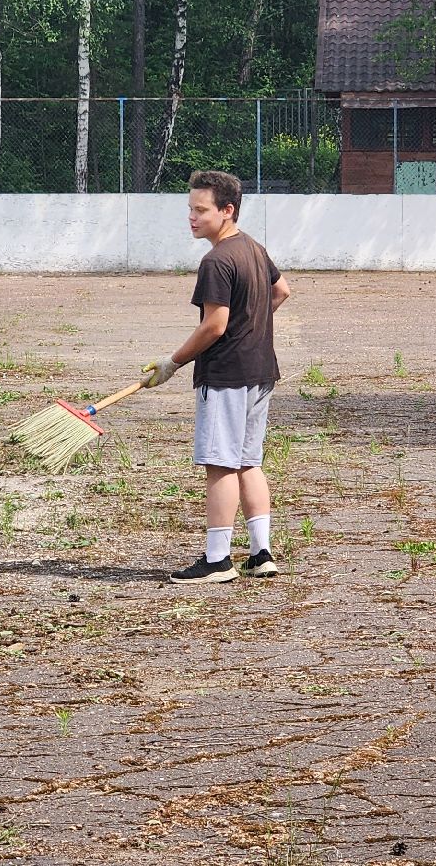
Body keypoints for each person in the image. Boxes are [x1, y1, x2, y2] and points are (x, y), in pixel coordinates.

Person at [140, 170, 292, 584]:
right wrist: (253, 326)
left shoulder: (216, 260)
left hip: (226, 375)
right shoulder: (254, 249)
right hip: (260, 371)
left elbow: (214, 326)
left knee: (220, 465)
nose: (191, 217)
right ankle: (261, 553)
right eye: (190, 209)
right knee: (248, 461)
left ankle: (218, 560)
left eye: (200, 210)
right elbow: (282, 292)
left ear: (227, 211)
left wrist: (172, 363)